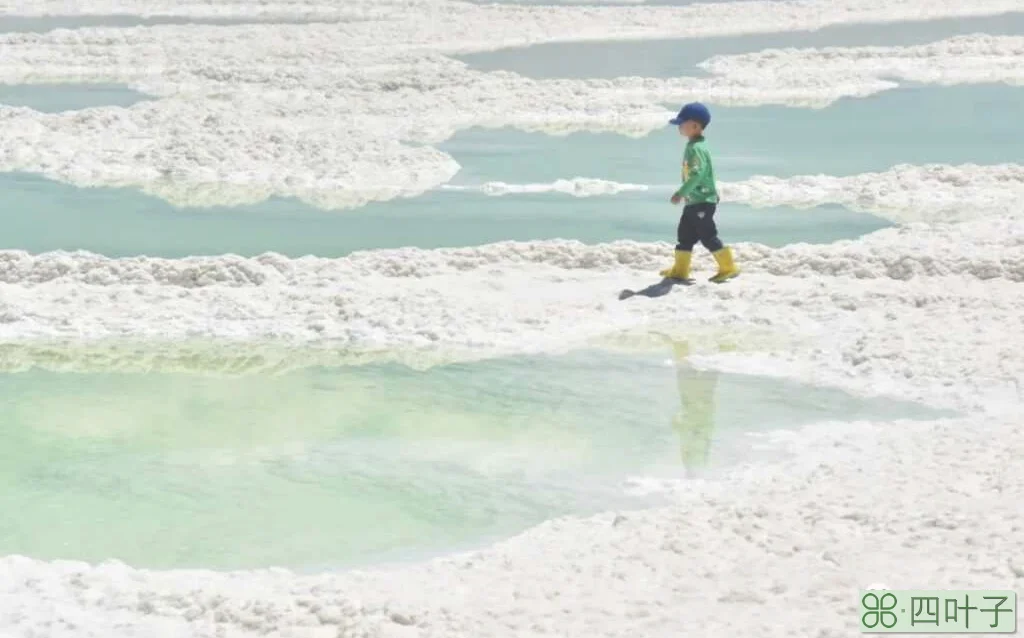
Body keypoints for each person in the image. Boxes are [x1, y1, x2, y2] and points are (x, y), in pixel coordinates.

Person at [660, 102, 740, 283]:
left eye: (682, 123)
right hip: (694, 202)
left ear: (695, 126)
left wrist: (681, 192)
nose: (679, 127)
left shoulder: (696, 149)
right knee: (684, 235)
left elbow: (697, 174)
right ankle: (680, 270)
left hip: (702, 201)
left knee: (708, 236)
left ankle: (728, 267)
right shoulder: (695, 145)